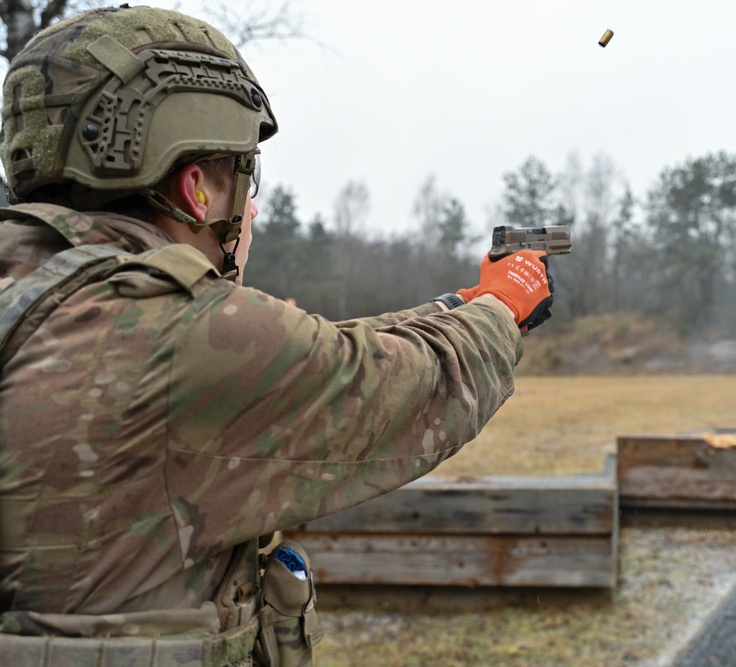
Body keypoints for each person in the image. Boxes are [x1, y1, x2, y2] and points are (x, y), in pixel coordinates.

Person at [0, 6, 554, 666]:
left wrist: (454, 303)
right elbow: (402, 383)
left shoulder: (47, 297)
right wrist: (503, 306)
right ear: (197, 189)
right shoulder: (173, 334)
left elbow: (313, 350)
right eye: (244, 176)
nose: (252, 205)